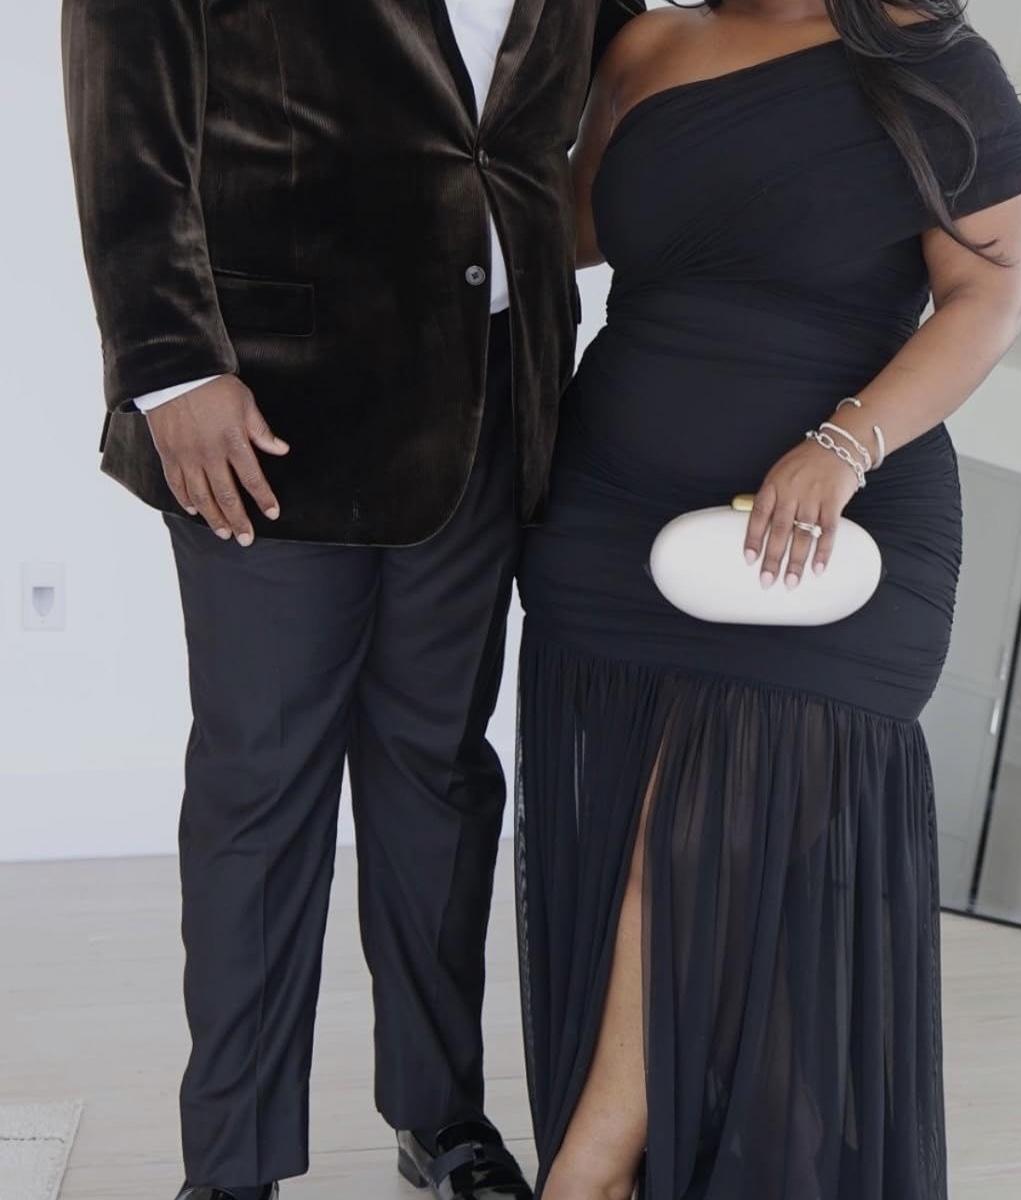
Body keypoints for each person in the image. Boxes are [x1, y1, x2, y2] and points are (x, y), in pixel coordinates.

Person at [61, 2, 642, 1198]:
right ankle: (234, 1165)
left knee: (439, 775)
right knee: (263, 782)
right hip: (271, 403)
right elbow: (126, 107)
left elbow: (618, 70)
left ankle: (442, 1115)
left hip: (493, 396)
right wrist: (170, 367)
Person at [515, 1, 1021, 1197]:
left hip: (834, 536)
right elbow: (564, 227)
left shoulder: (932, 58)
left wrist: (844, 446)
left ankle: (585, 1174)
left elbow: (989, 297)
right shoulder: (648, 48)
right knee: (659, 871)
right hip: (613, 524)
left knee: (691, 856)